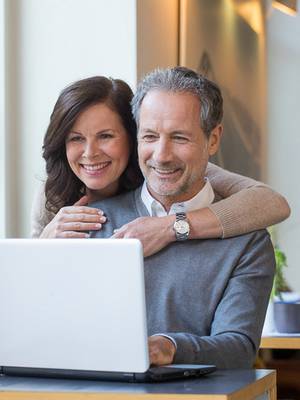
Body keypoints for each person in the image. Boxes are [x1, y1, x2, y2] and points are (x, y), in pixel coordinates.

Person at [90, 67, 276, 368]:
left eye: (179, 137)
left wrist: (170, 347)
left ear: (213, 139)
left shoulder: (248, 242)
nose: (162, 155)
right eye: (150, 136)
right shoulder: (94, 222)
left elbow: (240, 348)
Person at [31, 76, 290, 258]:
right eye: (76, 138)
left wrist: (169, 226)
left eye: (106, 136)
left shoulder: (161, 171)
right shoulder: (53, 193)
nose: (90, 153)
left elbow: (272, 202)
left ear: (134, 136)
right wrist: (43, 246)